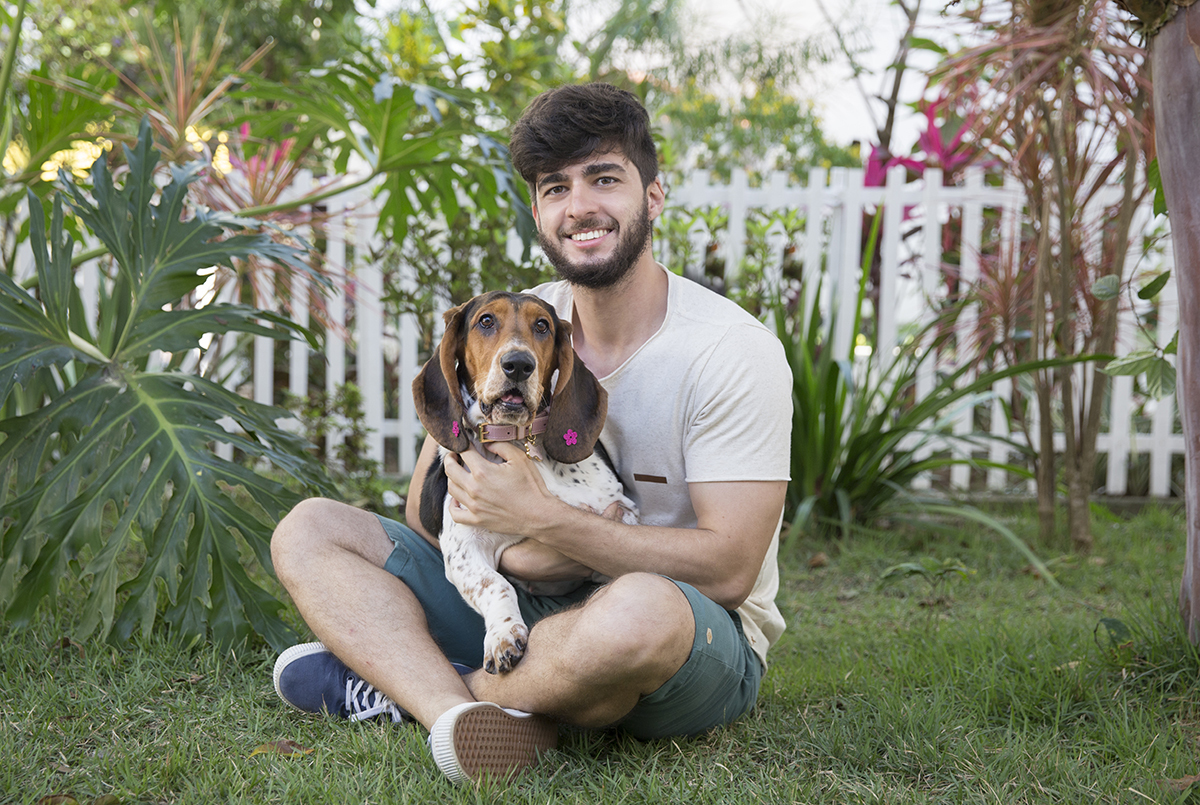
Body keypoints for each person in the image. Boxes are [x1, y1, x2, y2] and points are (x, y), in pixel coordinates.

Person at [270, 82, 793, 784]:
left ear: (654, 194)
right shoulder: (517, 321)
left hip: (676, 629)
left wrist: (545, 527)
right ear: (541, 211)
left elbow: (730, 569)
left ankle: (426, 689)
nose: (580, 206)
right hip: (517, 607)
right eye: (555, 187)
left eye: (604, 178)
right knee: (308, 528)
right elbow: (425, 515)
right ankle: (464, 717)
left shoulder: (731, 350)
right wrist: (516, 563)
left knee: (634, 613)